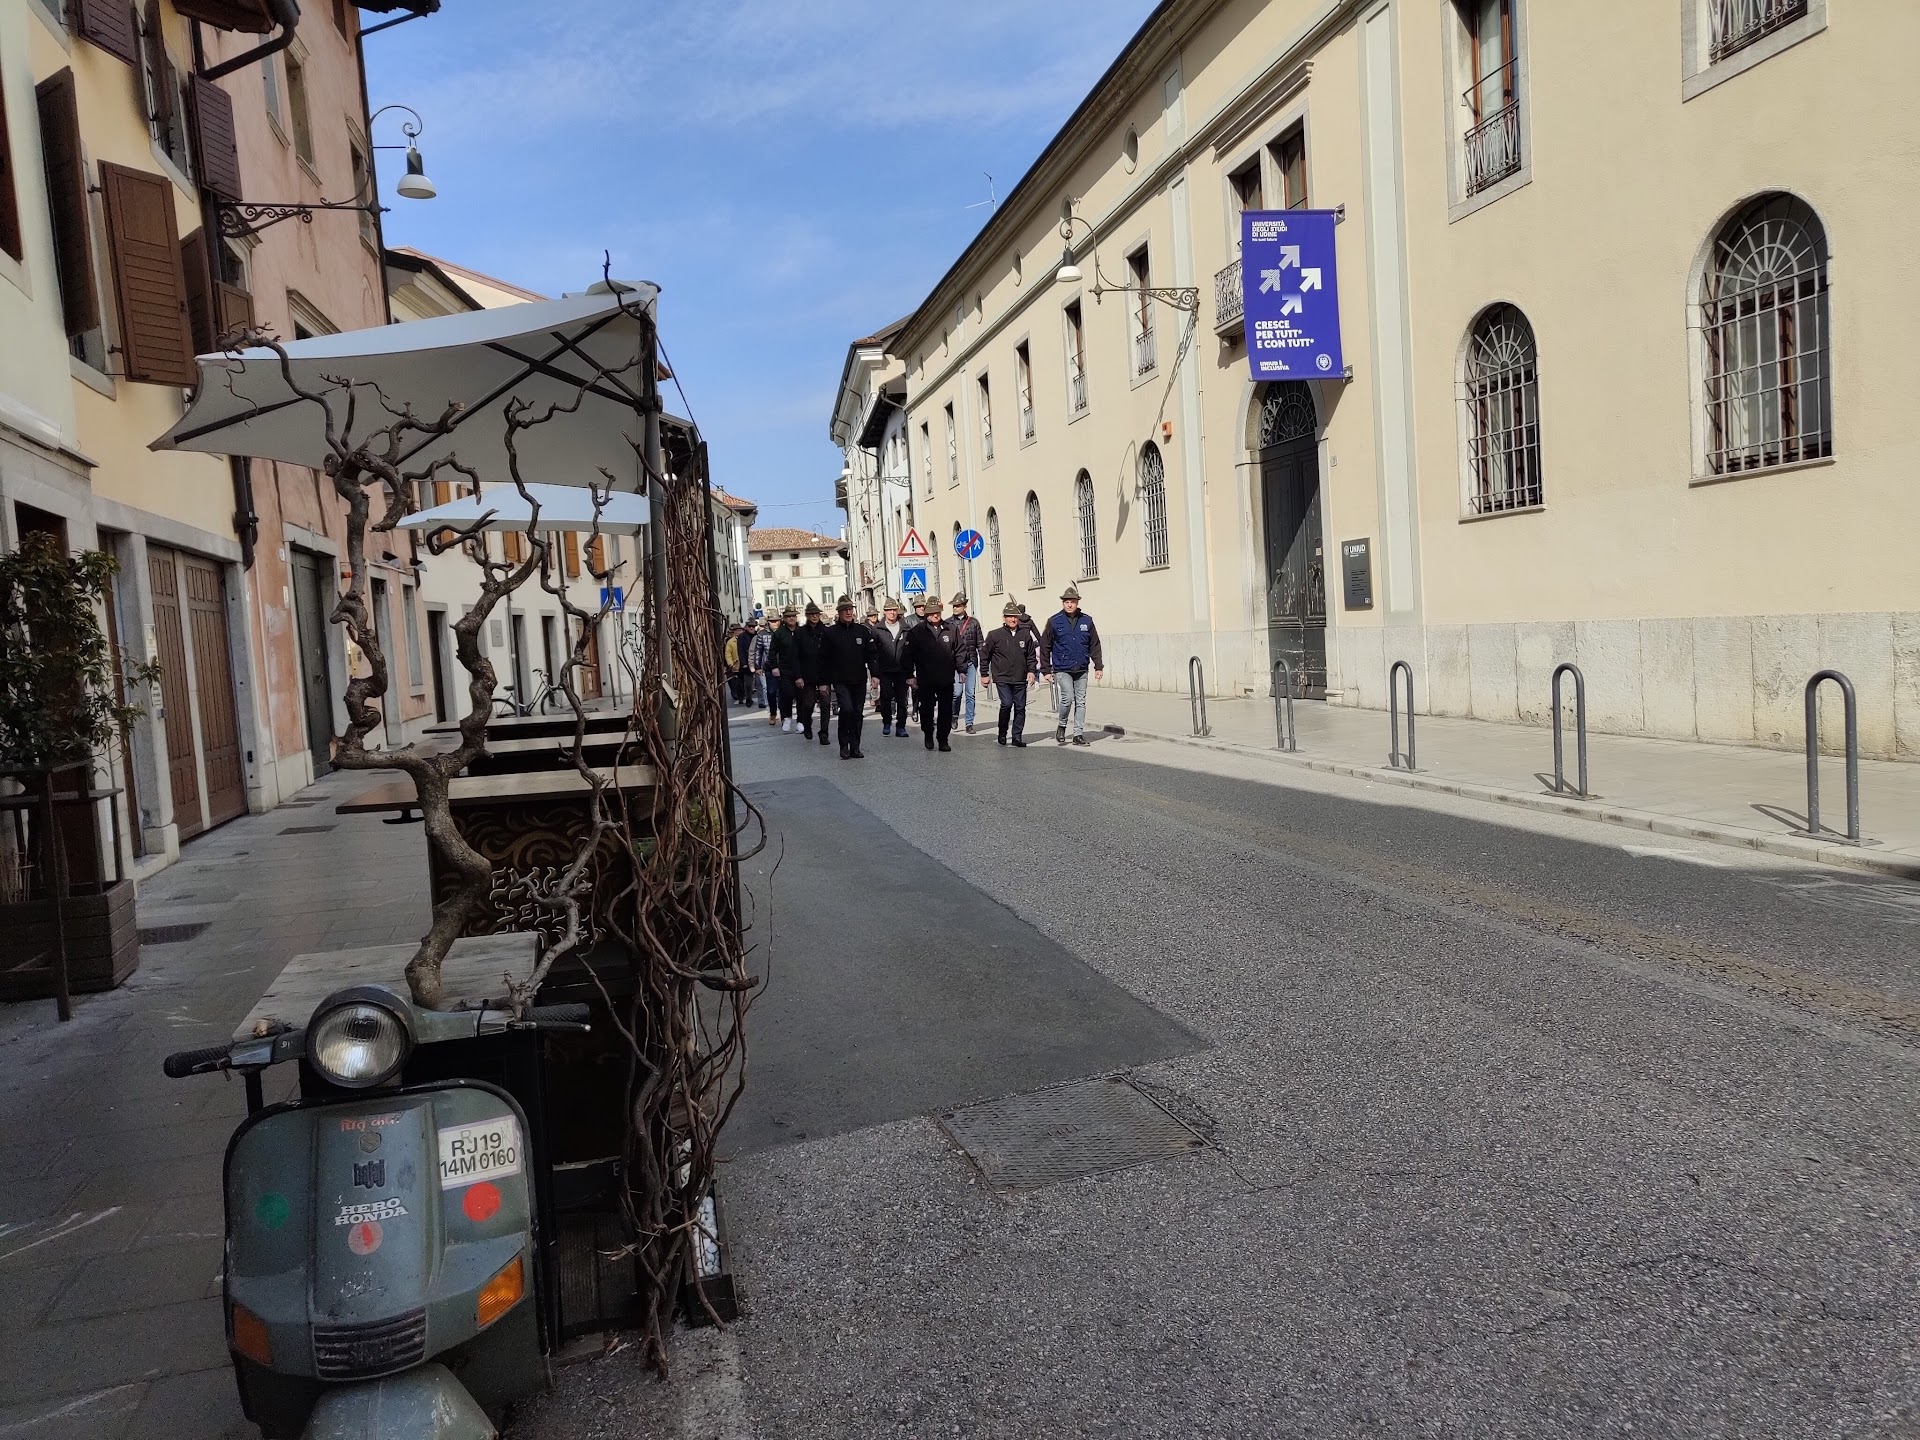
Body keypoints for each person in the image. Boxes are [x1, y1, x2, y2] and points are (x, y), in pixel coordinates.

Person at [1039, 584, 1104, 746]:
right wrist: (1046, 670)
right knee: (1067, 698)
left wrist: (1098, 666)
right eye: (1066, 601)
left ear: (1077, 603)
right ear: (1063, 603)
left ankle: (1078, 734)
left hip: (1081, 667)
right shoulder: (1054, 621)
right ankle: (1062, 725)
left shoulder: (1087, 620)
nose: (1069, 604)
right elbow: (1045, 645)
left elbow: (1094, 644)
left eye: (1072, 601)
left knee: (1080, 701)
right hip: (1062, 667)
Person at [818, 596, 876, 758]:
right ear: (839, 612)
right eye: (845, 610)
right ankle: (844, 745)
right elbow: (822, 659)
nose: (848, 612)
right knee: (847, 709)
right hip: (840, 680)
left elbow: (871, 654)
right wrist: (823, 683)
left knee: (857, 713)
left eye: (850, 609)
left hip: (858, 679)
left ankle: (855, 746)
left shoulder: (862, 631)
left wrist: (875, 674)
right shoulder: (830, 633)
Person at [901, 594, 959, 751]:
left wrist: (962, 670)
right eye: (932, 612)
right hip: (925, 678)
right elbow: (907, 655)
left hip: (946, 678)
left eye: (938, 612)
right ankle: (928, 734)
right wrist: (909, 676)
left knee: (946, 710)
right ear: (926, 613)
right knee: (926, 709)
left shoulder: (950, 629)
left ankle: (943, 739)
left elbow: (959, 651)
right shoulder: (916, 632)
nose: (935, 615)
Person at [978, 600, 1040, 747]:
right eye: (1009, 616)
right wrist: (984, 674)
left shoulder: (1025, 635)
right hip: (1002, 677)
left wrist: (1031, 671)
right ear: (1004, 618)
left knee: (1020, 707)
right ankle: (1002, 732)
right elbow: (984, 655)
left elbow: (1031, 656)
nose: (1013, 619)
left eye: (1015, 617)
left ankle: (1017, 736)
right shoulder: (994, 635)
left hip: (1019, 677)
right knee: (1006, 703)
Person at [868, 597, 912, 739]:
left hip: (901, 671)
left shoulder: (905, 628)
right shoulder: (877, 629)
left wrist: (910, 673)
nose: (892, 613)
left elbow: (910, 652)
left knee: (902, 700)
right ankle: (887, 722)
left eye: (894, 610)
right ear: (884, 612)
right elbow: (873, 653)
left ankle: (901, 726)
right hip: (885, 670)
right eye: (889, 610)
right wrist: (874, 673)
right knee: (886, 698)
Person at [792, 601, 833, 745]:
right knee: (808, 704)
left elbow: (831, 655)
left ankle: (824, 733)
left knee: (825, 704)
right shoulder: (800, 632)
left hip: (824, 674)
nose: (815, 616)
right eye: (811, 614)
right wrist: (798, 676)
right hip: (807, 674)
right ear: (807, 616)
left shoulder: (827, 632)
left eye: (817, 614)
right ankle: (807, 724)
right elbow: (795, 656)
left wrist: (830, 675)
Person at [948, 592, 983, 735]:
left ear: (964, 606)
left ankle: (969, 723)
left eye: (958, 606)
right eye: (954, 606)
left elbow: (980, 644)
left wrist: (984, 665)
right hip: (955, 664)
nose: (955, 608)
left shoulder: (974, 623)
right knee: (957, 692)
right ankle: (954, 715)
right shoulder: (948, 623)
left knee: (970, 694)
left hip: (970, 662)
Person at [767, 606, 801, 731]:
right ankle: (787, 717)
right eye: (788, 616)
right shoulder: (779, 633)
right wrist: (774, 667)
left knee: (801, 696)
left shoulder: (801, 631)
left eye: (793, 615)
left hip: (801, 669)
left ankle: (801, 720)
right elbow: (772, 652)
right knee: (787, 694)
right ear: (784, 618)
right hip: (785, 669)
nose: (791, 618)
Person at [748, 619, 775, 720]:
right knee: (765, 686)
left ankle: (773, 705)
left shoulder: (774, 634)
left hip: (775, 665)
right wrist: (753, 666)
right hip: (764, 665)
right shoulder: (757, 637)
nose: (763, 627)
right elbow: (754, 652)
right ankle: (768, 705)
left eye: (764, 625)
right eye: (761, 625)